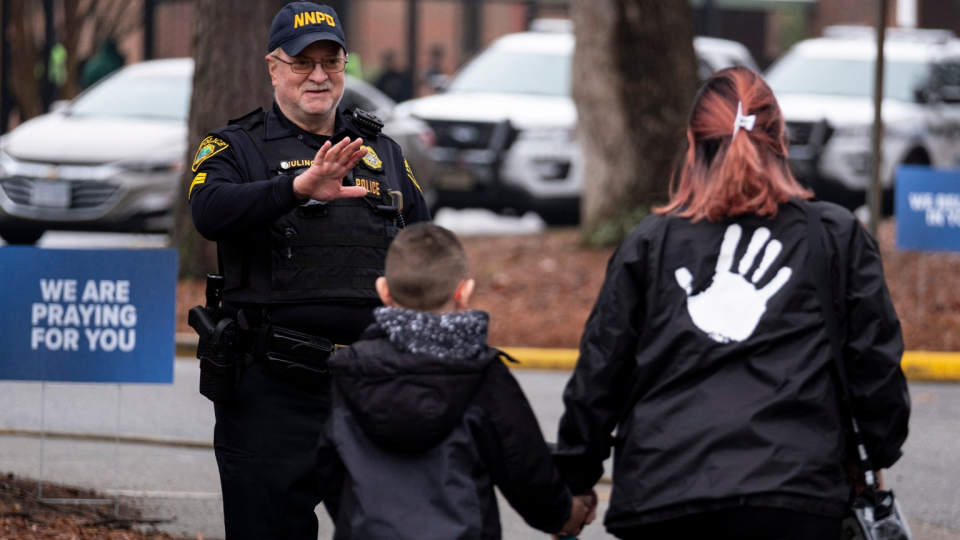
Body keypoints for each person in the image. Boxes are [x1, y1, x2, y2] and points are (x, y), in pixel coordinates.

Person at [553, 66, 910, 539]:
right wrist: (873, 454)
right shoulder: (833, 237)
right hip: (795, 495)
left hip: (665, 496)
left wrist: (573, 484)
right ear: (780, 140)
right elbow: (875, 368)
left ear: (692, 144)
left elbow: (601, 373)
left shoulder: (651, 243)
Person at [188, 3, 430, 539]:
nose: (318, 75)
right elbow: (209, 212)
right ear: (273, 68)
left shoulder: (381, 151)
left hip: (369, 392)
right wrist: (294, 189)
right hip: (271, 394)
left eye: (331, 60)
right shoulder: (234, 146)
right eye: (302, 63)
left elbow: (420, 244)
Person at [319, 223, 588, 539]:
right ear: (464, 292)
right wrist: (563, 515)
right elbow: (525, 465)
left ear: (384, 291)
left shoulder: (351, 369)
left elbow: (330, 467)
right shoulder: (480, 372)